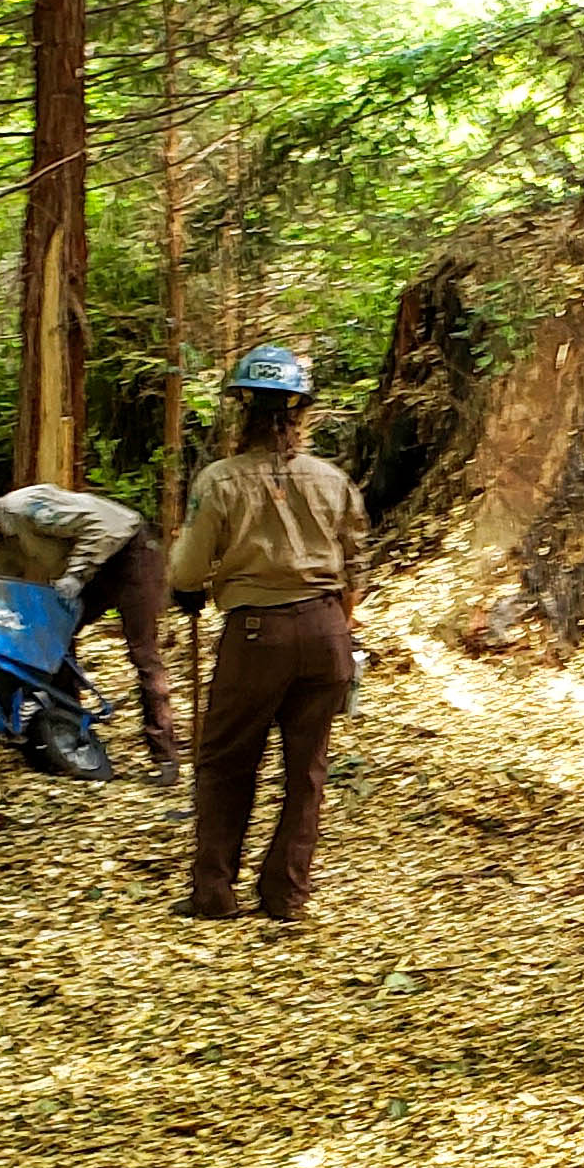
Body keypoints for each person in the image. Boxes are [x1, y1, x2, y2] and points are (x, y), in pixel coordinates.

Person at [168, 342, 367, 923]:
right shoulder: (331, 480)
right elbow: (357, 560)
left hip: (256, 635)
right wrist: (339, 616)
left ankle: (214, 892)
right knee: (307, 771)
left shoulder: (221, 481)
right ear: (300, 412)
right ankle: (285, 894)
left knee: (227, 761)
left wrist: (190, 589)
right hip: (326, 630)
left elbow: (185, 570)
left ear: (242, 411)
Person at [0, 461, 181, 780]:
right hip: (87, 575)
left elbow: (105, 528)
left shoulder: (28, 506)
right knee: (54, 645)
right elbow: (8, 591)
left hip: (129, 554)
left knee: (143, 653)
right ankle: (73, 739)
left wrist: (75, 574)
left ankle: (165, 755)